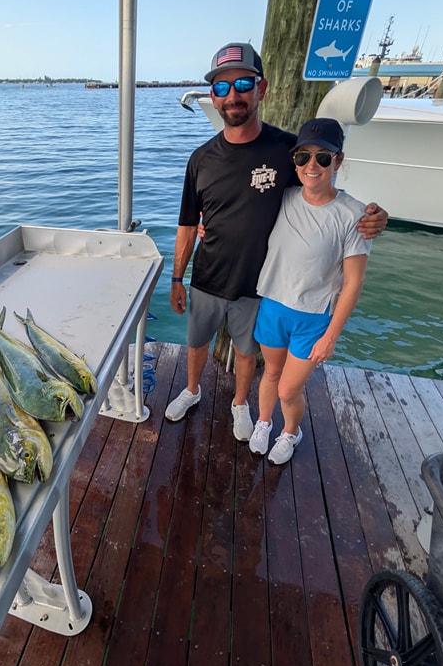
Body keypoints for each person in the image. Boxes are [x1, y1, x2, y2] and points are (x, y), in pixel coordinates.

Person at [165, 42, 387, 441]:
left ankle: (239, 404)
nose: (232, 95)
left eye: (243, 84)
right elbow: (186, 222)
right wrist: (177, 277)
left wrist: (374, 217)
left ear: (261, 89)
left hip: (259, 283)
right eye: (221, 87)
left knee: (248, 354)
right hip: (207, 275)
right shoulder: (200, 159)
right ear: (213, 98)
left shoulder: (288, 150)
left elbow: (321, 193)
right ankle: (191, 390)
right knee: (196, 342)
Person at [249, 116, 369, 464]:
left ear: (339, 161)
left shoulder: (354, 215)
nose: (311, 165)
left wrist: (332, 335)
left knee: (289, 388)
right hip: (273, 305)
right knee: (270, 373)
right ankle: (264, 422)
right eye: (303, 157)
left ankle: (291, 431)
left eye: (323, 157)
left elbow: (354, 282)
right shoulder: (282, 198)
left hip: (314, 317)